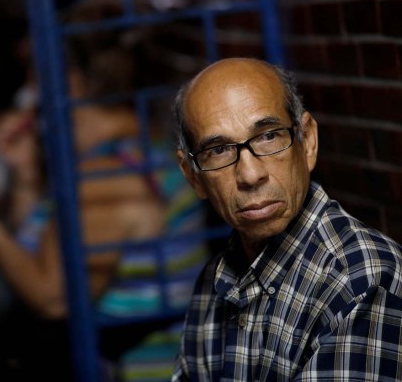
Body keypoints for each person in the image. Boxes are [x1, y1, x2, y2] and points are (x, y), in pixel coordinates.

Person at [171, 57, 402, 381]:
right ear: (193, 177)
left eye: (269, 136)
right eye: (219, 150)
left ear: (307, 141)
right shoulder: (215, 279)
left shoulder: (360, 279)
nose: (250, 175)